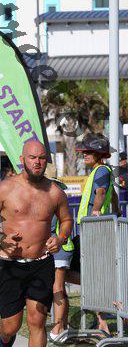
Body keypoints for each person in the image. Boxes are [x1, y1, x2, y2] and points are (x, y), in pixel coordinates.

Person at [0, 141, 73, 347]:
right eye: (32, 157)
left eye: (41, 158)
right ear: (22, 159)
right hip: (10, 265)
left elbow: (66, 220)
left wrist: (60, 238)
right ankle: (5, 341)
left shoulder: (55, 192)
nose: (37, 162)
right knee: (11, 325)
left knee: (37, 320)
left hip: (41, 263)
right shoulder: (5, 189)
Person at [68, 133, 118, 334]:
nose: (84, 155)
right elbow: (113, 194)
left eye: (88, 152)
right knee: (89, 273)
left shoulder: (101, 170)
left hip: (93, 230)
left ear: (99, 154)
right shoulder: (101, 171)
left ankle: (102, 318)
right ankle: (101, 318)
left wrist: (96, 211)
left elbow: (101, 193)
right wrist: (117, 210)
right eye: (84, 152)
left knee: (67, 270)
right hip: (90, 229)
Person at [48, 179, 75, 341]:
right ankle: (63, 325)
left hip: (60, 249)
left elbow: (50, 228)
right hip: (60, 249)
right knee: (60, 289)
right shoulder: (58, 201)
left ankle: (58, 328)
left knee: (57, 288)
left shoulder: (55, 202)